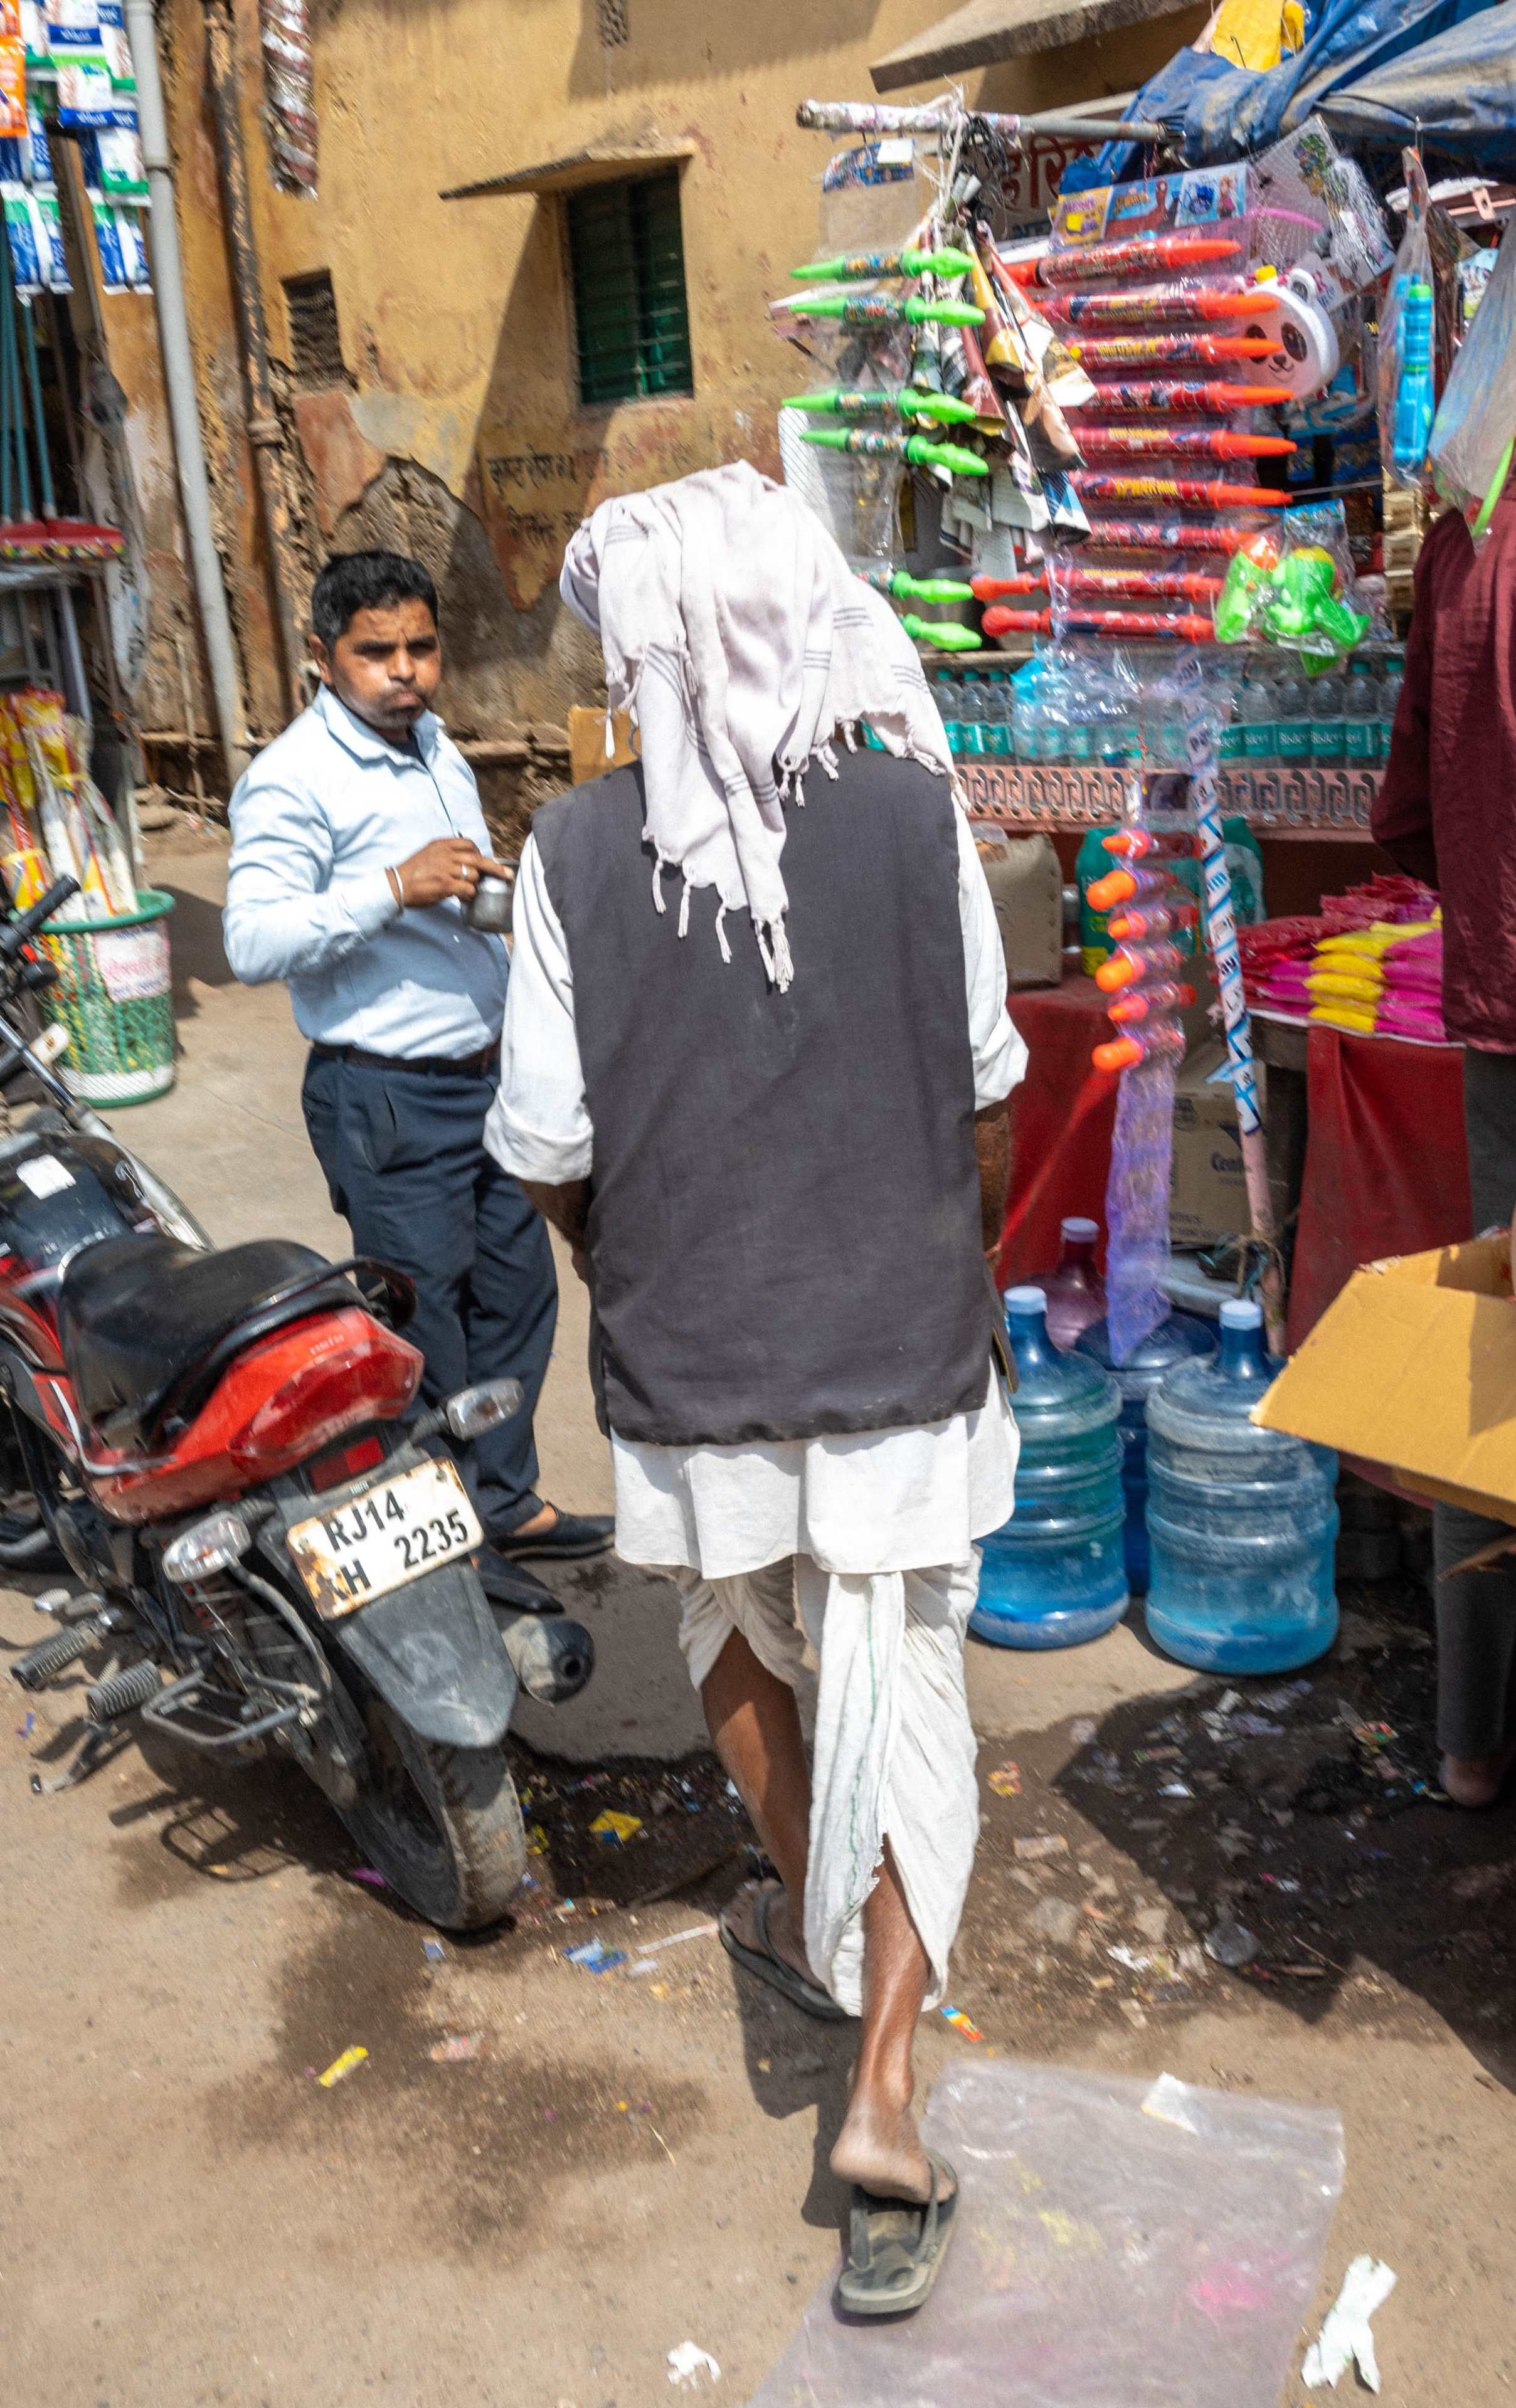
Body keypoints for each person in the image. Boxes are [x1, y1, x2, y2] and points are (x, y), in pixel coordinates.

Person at [484, 463, 1026, 2316]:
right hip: (899, 1347)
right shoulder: (913, 814)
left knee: (743, 1632)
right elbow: (981, 1082)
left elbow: (549, 1138)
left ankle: (819, 1936)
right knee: (905, 1672)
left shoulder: (568, 855)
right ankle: (882, 2085)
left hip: (690, 1352)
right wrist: (958, 1256)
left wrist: (606, 1248)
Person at [223, 549, 612, 1563]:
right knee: (424, 1329)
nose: (405, 671)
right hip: (387, 1099)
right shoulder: (292, 781)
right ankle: (447, 1550)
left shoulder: (432, 746)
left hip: (487, 1080)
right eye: (377, 652)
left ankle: (505, 1503)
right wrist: (391, 887)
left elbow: (453, 892)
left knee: (517, 1299)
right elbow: (251, 941)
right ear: (323, 656)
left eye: (422, 648)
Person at [1372, 433, 1516, 1805]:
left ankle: (1469, 1737)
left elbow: (1405, 814)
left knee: (1500, 1353)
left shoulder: (1467, 528)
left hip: (1506, 1017)